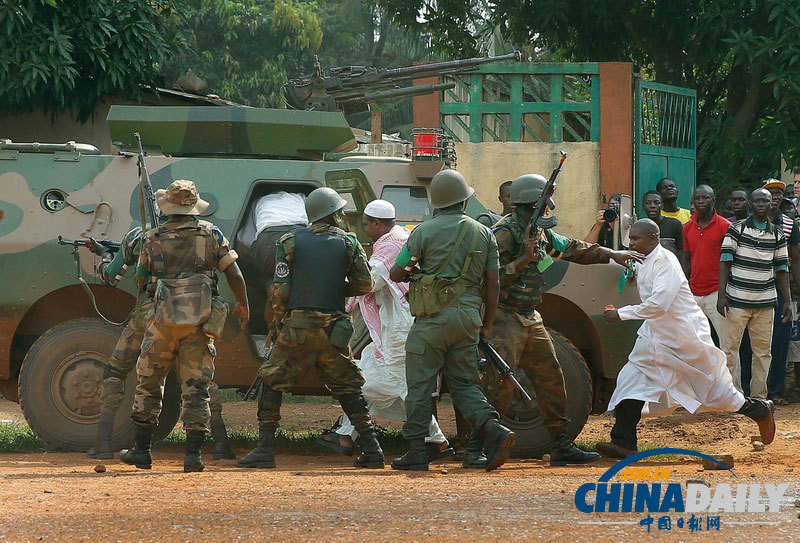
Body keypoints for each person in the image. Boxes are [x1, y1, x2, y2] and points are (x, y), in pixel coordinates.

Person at [474, 174, 641, 468]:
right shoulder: (502, 234)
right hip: (504, 316)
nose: (548, 211)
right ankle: (479, 446)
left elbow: (573, 248)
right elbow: (486, 280)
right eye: (544, 205)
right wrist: (520, 262)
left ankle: (561, 444)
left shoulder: (537, 231)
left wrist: (613, 254)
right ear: (528, 204)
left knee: (552, 378)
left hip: (529, 316)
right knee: (499, 385)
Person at [598, 219, 776, 458]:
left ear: (653, 239)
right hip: (655, 338)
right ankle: (623, 443)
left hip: (684, 339)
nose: (631, 243)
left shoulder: (665, 262)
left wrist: (621, 314)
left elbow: (659, 305)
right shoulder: (644, 259)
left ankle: (760, 411)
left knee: (716, 392)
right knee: (630, 381)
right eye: (630, 239)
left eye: (636, 239)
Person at [238, 187, 383, 470]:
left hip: (298, 327)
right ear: (332, 215)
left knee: (271, 381)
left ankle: (265, 449)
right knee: (348, 387)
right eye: (339, 211)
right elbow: (365, 284)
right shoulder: (350, 242)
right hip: (334, 329)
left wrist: (280, 323)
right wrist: (336, 287)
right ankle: (373, 449)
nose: (342, 215)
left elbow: (279, 291)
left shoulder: (290, 240)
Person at [389, 169, 515, 472]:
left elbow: (396, 272)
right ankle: (495, 430)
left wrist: (415, 273)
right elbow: (493, 283)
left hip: (431, 320)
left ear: (437, 201)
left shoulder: (422, 232)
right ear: (464, 200)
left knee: (419, 384)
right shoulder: (484, 233)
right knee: (466, 384)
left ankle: (417, 450)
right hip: (469, 319)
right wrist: (486, 323)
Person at [121, 180, 250, 472]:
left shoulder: (153, 237)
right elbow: (235, 274)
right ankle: (193, 457)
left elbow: (141, 280)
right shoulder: (211, 234)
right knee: (196, 387)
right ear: (194, 207)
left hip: (162, 324)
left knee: (150, 383)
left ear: (168, 207)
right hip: (199, 323)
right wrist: (243, 304)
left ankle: (141, 451)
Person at [317, 200, 452, 461]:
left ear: (377, 224)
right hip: (396, 321)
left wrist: (329, 283)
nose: (365, 228)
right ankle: (346, 435)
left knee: (381, 384)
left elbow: (369, 281)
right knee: (368, 363)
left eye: (366, 224)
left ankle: (436, 441)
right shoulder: (400, 236)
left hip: (400, 326)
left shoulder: (390, 245)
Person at [87, 227, 235, 461]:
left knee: (117, 369)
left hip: (155, 316)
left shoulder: (141, 236)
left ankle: (104, 442)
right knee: (199, 379)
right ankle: (220, 443)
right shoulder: (210, 234)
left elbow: (110, 278)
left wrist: (106, 255)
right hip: (196, 316)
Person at [718, 188, 791, 399]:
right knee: (730, 350)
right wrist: (721, 295)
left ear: (771, 205)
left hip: (766, 302)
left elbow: (781, 269)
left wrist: (787, 299)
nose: (761, 205)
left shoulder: (777, 233)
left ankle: (759, 398)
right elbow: (725, 262)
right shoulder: (736, 229)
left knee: (762, 353)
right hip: (736, 300)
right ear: (751, 203)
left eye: (765, 202)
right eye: (757, 201)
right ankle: (732, 396)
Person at [739, 179, 800, 403]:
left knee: (779, 340)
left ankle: (774, 391)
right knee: (748, 341)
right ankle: (746, 390)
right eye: (770, 193)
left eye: (778, 194)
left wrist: (794, 295)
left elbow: (795, 259)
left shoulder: (789, 224)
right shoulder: (745, 224)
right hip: (750, 285)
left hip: (779, 286)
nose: (774, 197)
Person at [234, 191, 309, 334]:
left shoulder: (258, 201)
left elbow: (244, 239)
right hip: (301, 234)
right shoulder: (302, 197)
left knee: (267, 274)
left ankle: (271, 288)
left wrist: (255, 263)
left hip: (268, 240)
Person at [680, 185, 730, 342]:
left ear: (713, 200)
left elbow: (730, 262)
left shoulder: (725, 226)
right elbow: (687, 260)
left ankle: (728, 369)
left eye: (705, 197)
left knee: (727, 342)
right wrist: (684, 288)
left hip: (717, 292)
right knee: (693, 342)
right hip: (693, 293)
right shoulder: (687, 228)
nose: (701, 201)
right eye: (697, 198)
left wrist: (724, 294)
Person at [640, 190, 684, 257]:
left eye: (656, 203)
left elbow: (682, 254)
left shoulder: (674, 225)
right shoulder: (640, 227)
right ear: (643, 206)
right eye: (648, 203)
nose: (652, 206)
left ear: (662, 206)